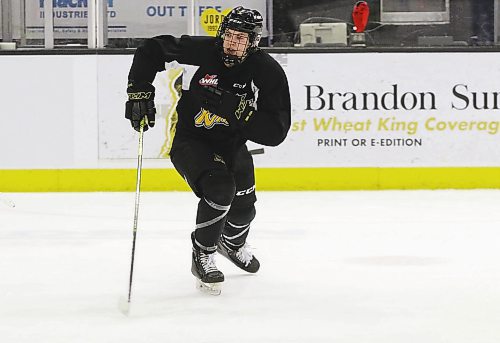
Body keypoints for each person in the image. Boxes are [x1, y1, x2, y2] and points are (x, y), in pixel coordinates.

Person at [125, 6, 291, 294]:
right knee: (220, 189)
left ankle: (233, 244)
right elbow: (151, 49)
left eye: (242, 39)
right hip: (192, 142)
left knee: (244, 209)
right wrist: (139, 90)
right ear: (221, 33)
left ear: (254, 42)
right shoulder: (201, 51)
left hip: (233, 144)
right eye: (229, 35)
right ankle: (203, 254)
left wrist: (235, 109)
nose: (233, 43)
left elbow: (276, 132)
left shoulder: (268, 72)